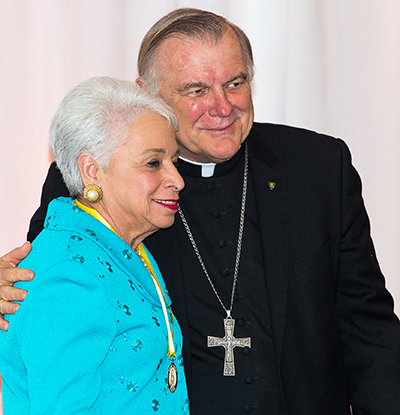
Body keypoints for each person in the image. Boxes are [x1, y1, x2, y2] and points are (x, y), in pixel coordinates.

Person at [1, 8, 400, 415]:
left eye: (235, 82)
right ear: (147, 93)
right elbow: (45, 296)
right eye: (196, 90)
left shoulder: (317, 167)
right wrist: (6, 290)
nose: (222, 106)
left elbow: (368, 329)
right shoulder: (101, 179)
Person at [0, 76, 189, 414]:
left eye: (174, 161)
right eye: (153, 163)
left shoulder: (123, 248)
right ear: (92, 170)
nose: (177, 179)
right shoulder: (69, 271)